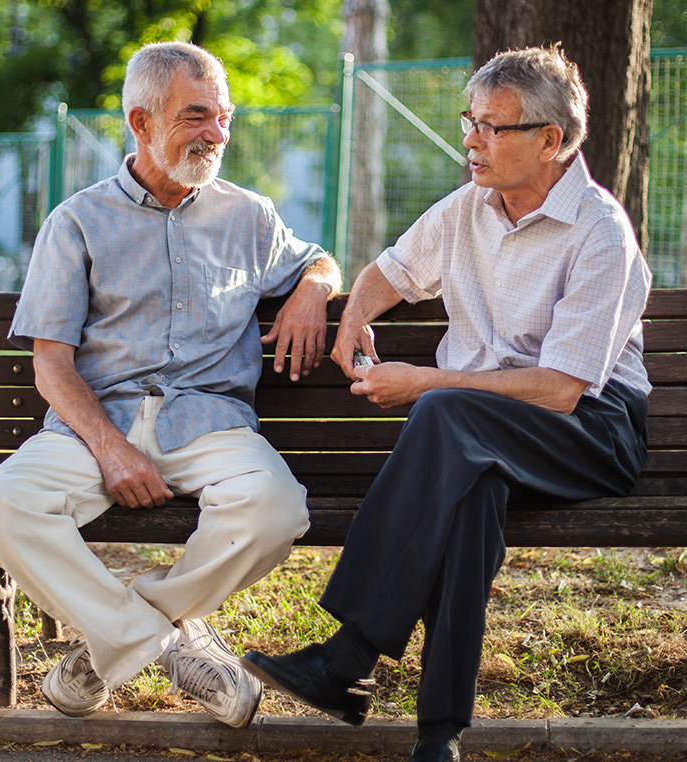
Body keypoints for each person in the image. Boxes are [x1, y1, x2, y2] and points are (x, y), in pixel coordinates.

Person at [241, 45, 651, 761]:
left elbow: (558, 390)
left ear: (551, 142)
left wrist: (424, 381)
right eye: (471, 121)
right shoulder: (468, 207)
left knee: (444, 414)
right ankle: (440, 733)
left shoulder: (599, 232)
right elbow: (389, 270)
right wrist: (355, 314)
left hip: (588, 431)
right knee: (471, 490)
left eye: (493, 128)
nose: (471, 140)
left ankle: (348, 656)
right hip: (482, 435)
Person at [0, 41, 341, 729]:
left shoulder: (250, 216)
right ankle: (169, 647)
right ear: (141, 123)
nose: (217, 134)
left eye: (223, 116)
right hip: (91, 423)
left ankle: (106, 651)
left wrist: (314, 287)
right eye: (196, 116)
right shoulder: (76, 221)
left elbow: (317, 260)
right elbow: (52, 365)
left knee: (277, 509)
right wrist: (110, 449)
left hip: (208, 421)